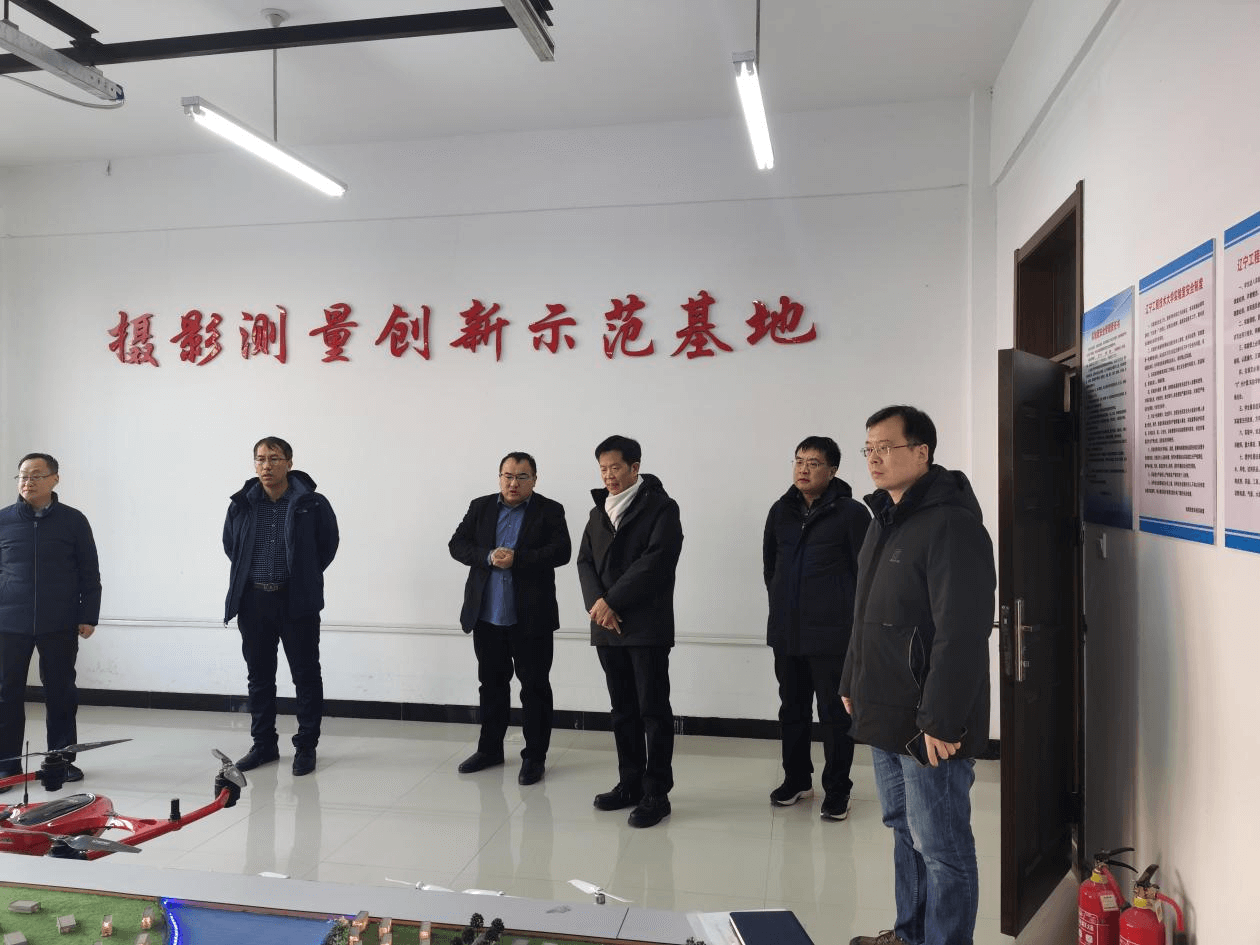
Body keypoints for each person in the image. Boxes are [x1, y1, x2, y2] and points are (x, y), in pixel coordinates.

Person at [841, 406, 996, 945]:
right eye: (868, 448)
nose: (874, 458)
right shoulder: (884, 517)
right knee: (903, 831)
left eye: (885, 447)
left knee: (942, 847)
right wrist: (851, 677)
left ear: (922, 452)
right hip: (883, 704)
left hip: (928, 720)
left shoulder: (952, 524)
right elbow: (865, 612)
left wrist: (943, 719)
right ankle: (910, 936)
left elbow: (963, 630)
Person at [577, 435, 683, 828]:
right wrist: (597, 605)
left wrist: (612, 602)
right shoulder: (598, 511)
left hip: (645, 625)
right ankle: (630, 783)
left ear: (635, 467)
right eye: (603, 469)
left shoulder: (661, 508)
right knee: (622, 710)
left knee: (652, 711)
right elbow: (584, 561)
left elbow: (656, 562)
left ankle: (657, 793)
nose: (608, 475)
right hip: (607, 626)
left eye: (616, 468)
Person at [448, 451, 571, 786]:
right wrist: (488, 556)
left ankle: (534, 757)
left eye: (521, 477)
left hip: (531, 617)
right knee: (491, 686)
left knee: (534, 688)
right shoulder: (481, 506)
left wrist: (518, 559)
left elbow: (562, 552)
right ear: (500, 477)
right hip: (487, 615)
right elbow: (457, 545)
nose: (513, 483)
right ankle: (489, 750)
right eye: (508, 476)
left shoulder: (549, 510)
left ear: (534, 479)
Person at [764, 436, 869, 820]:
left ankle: (837, 790)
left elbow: (865, 575)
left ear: (833, 470)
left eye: (813, 463)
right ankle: (797, 780)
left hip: (832, 636)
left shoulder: (852, 514)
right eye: (798, 461)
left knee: (835, 716)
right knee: (791, 710)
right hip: (787, 633)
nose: (803, 469)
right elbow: (770, 567)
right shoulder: (780, 511)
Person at [223, 437, 338, 777]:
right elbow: (231, 546)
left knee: (305, 675)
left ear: (289, 462)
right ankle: (264, 745)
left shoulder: (312, 504)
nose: (266, 466)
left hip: (296, 600)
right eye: (260, 459)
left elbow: (327, 546)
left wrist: (303, 576)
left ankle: (306, 746)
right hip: (254, 601)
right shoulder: (241, 504)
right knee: (259, 677)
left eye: (274, 458)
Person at [0, 453, 101, 790]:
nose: (27, 482)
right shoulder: (3, 520)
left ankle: (60, 762)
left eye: (36, 475)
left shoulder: (73, 521)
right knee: (6, 695)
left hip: (59, 621)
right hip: (9, 623)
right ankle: (6, 766)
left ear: (54, 479)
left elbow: (89, 572)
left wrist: (88, 615)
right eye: (22, 476)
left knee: (61, 693)